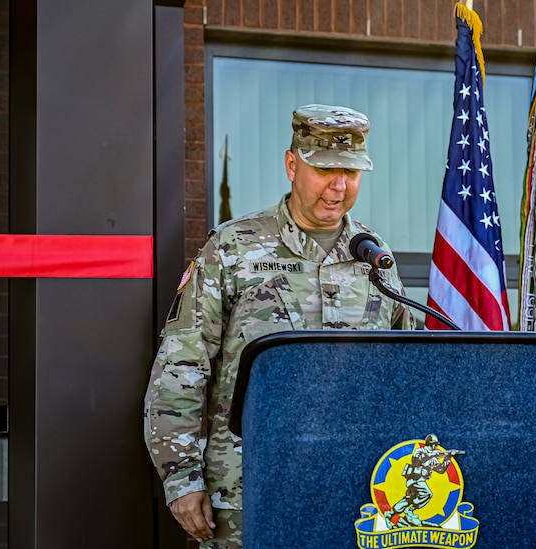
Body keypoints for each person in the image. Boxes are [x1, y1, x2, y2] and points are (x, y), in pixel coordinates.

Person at [144, 104, 415, 548]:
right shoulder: (233, 248)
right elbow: (182, 365)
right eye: (325, 169)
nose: (339, 186)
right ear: (292, 164)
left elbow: (409, 366)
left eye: (351, 171)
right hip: (248, 489)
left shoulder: (373, 255)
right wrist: (182, 477)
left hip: (358, 490)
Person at [385, 434, 464, 528]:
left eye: (435, 445)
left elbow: (441, 470)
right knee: (427, 494)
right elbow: (418, 460)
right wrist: (437, 454)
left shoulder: (433, 458)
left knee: (408, 499)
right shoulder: (420, 451)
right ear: (429, 444)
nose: (434, 447)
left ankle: (391, 514)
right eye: (433, 444)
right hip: (415, 479)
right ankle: (410, 510)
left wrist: (447, 458)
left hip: (420, 480)